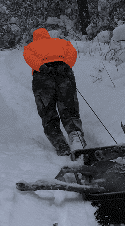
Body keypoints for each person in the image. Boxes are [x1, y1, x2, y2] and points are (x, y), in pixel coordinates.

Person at [23, 28, 86, 156]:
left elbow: (29, 58)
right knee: (69, 108)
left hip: (43, 78)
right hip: (63, 75)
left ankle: (60, 144)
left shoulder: (30, 46)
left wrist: (42, 67)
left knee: (48, 112)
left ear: (35, 38)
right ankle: (76, 138)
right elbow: (72, 52)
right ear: (47, 36)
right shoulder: (61, 42)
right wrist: (66, 65)